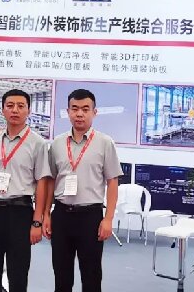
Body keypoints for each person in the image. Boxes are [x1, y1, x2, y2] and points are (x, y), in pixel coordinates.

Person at [43, 89, 122, 292]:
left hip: (90, 217)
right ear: (68, 111)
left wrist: (108, 219)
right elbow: (51, 181)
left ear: (94, 112)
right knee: (62, 276)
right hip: (61, 215)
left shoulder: (105, 143)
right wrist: (46, 214)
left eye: (85, 109)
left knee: (91, 276)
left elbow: (113, 182)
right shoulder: (57, 143)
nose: (79, 114)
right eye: (75, 109)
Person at [0, 89, 51, 292]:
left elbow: (42, 182)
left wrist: (37, 221)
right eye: (10, 106)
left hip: (20, 211)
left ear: (28, 110)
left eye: (21, 106)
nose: (15, 110)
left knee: (18, 272)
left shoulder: (37, 143)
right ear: (3, 110)